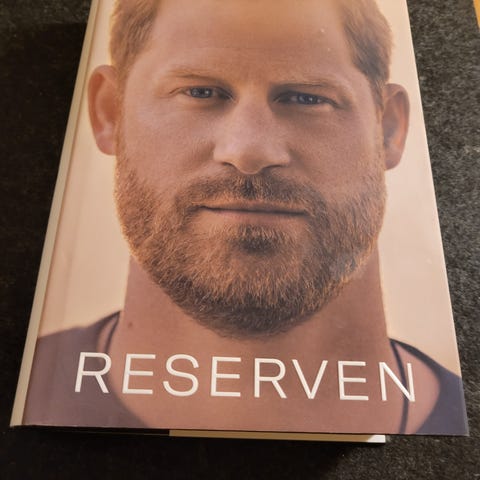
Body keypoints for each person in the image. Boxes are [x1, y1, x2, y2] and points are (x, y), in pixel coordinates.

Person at [24, 0, 466, 435]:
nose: (249, 151)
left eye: (306, 98)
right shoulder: (25, 382)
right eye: (200, 92)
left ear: (388, 129)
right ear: (110, 112)